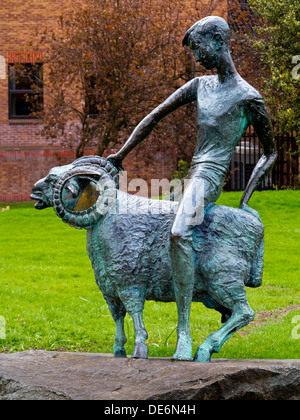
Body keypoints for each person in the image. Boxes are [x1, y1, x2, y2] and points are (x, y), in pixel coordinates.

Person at [108, 16, 277, 360]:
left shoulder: (248, 97)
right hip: (191, 175)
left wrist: (246, 200)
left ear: (218, 41)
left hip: (210, 176)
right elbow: (155, 115)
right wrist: (120, 154)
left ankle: (184, 332)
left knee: (178, 233)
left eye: (198, 47)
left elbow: (271, 152)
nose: (196, 56)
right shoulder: (200, 85)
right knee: (155, 223)